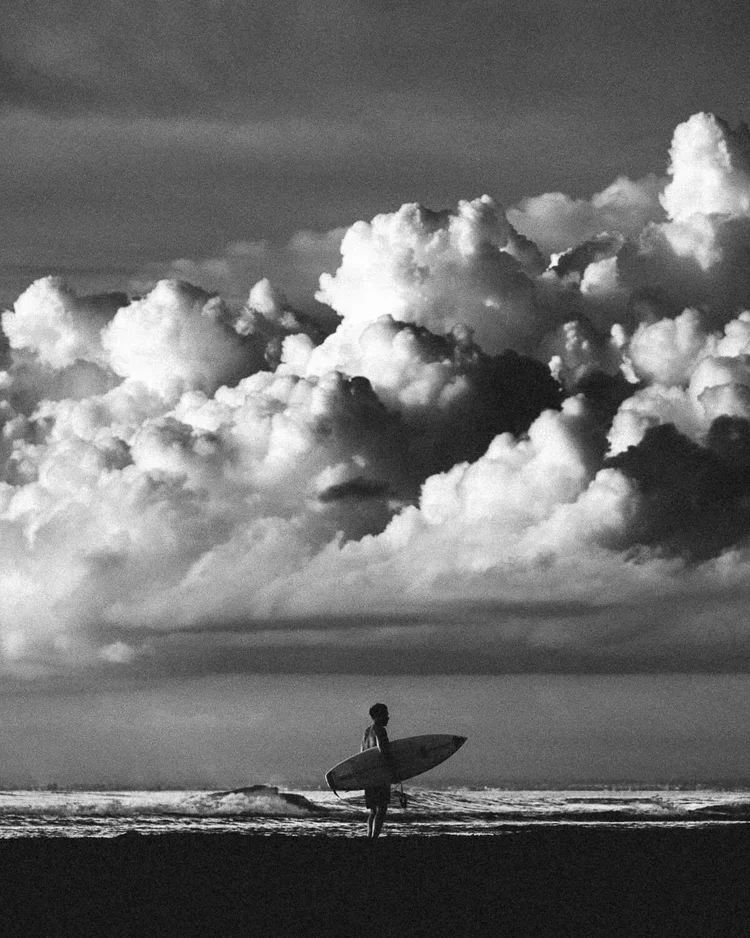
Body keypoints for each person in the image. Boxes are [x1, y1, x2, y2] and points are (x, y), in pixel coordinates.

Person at [361, 702, 393, 838]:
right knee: (382, 809)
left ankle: (369, 837)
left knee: (373, 810)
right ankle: (375, 838)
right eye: (385, 714)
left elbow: (361, 754)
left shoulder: (367, 732)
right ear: (378, 716)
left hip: (368, 775)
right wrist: (392, 768)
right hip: (379, 775)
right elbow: (383, 750)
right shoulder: (380, 729)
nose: (388, 717)